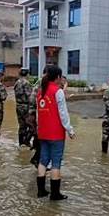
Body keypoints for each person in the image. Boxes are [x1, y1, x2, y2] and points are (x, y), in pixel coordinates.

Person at [36, 66, 75, 201]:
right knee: (56, 163)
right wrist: (70, 129)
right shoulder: (57, 92)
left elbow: (38, 114)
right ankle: (55, 194)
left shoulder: (40, 91)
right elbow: (63, 114)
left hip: (42, 132)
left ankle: (41, 191)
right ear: (58, 77)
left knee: (43, 160)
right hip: (56, 133)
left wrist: (39, 128)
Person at [14, 69, 33, 146]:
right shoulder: (26, 83)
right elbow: (30, 96)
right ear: (27, 74)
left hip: (18, 105)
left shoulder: (17, 82)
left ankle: (21, 143)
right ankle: (26, 141)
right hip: (26, 106)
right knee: (31, 125)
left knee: (21, 125)